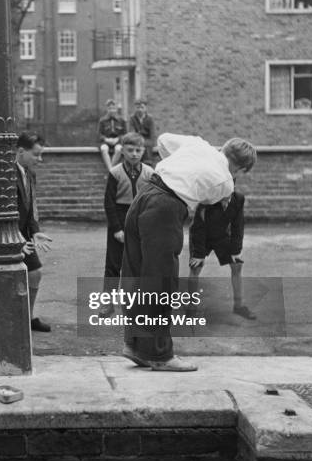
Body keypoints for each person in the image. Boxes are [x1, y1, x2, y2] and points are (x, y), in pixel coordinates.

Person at [121, 132, 256, 372]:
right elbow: (211, 200)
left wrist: (180, 163)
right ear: (241, 168)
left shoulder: (198, 143)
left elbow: (162, 140)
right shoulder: (225, 182)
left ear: (223, 146)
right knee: (162, 281)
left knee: (136, 272)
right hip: (166, 207)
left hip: (144, 193)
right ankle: (160, 355)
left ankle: (135, 345)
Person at [0, 132, 53, 332]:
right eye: (36, 154)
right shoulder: (6, 173)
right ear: (21, 151)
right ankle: (8, 321)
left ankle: (27, 318)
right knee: (8, 279)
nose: (40, 159)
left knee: (35, 273)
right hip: (5, 235)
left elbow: (31, 207)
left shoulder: (29, 173)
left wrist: (35, 232)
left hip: (23, 236)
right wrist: (14, 240)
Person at [101, 133, 154, 318]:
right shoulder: (115, 172)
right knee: (114, 264)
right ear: (122, 151)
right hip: (120, 216)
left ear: (143, 151)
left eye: (138, 150)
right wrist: (116, 229)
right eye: (130, 150)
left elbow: (151, 201)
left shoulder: (149, 173)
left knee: (138, 263)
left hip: (140, 217)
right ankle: (107, 304)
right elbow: (109, 203)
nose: (134, 154)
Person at [188, 190, 256, 320]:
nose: (225, 201)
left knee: (237, 266)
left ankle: (239, 306)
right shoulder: (206, 199)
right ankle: (191, 308)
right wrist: (198, 254)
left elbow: (238, 226)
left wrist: (236, 251)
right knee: (195, 267)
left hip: (222, 236)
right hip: (202, 236)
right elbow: (198, 227)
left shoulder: (238, 199)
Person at [97, 99, 127, 171]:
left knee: (119, 149)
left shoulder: (121, 120)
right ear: (107, 109)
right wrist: (106, 139)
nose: (111, 110)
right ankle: (111, 171)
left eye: (113, 108)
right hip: (106, 141)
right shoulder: (102, 120)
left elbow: (125, 134)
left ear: (116, 109)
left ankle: (110, 171)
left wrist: (118, 139)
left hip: (118, 141)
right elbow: (99, 134)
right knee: (104, 149)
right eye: (110, 108)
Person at [128, 99, 157, 166]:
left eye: (142, 107)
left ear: (145, 108)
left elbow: (153, 134)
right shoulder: (132, 118)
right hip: (136, 140)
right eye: (138, 107)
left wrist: (147, 142)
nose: (140, 110)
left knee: (146, 148)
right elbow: (131, 133)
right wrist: (137, 141)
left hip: (147, 141)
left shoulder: (150, 118)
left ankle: (147, 165)